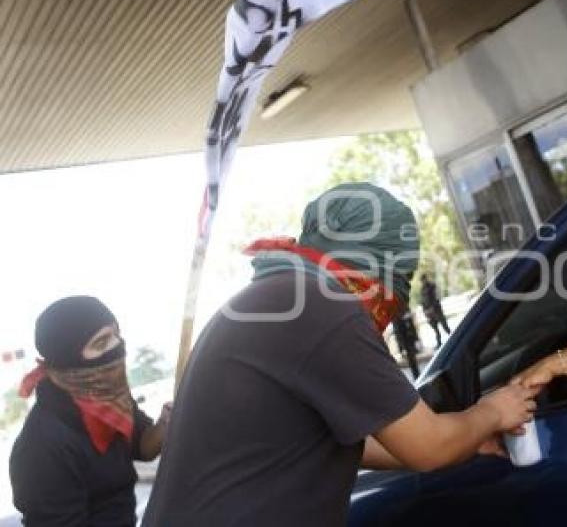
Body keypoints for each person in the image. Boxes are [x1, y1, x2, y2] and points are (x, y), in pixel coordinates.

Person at [141, 183, 536, 527]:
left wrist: (468, 440)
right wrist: (494, 412)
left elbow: (341, 442)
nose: (390, 304)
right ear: (376, 263)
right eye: (398, 280)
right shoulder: (323, 305)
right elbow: (428, 448)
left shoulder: (278, 296)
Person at [10, 296, 171, 526]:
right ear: (69, 359)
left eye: (116, 334)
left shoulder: (111, 402)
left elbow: (143, 446)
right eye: (101, 343)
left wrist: (165, 423)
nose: (117, 346)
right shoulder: (42, 445)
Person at [420, 273, 450, 346]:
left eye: (424, 279)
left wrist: (433, 307)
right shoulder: (422, 290)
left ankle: (452, 338)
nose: (424, 281)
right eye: (422, 280)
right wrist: (425, 311)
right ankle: (439, 343)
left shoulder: (432, 286)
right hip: (429, 313)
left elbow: (436, 297)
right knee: (436, 330)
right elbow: (423, 302)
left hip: (436, 310)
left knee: (445, 327)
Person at [392, 306, 421, 379]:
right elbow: (397, 330)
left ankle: (417, 375)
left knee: (412, 358)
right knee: (411, 358)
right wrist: (400, 347)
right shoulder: (393, 313)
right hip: (404, 338)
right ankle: (416, 375)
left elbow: (411, 325)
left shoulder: (404, 309)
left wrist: (416, 338)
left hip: (408, 337)